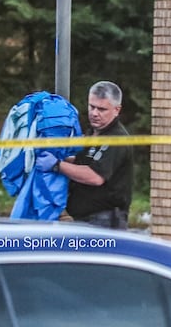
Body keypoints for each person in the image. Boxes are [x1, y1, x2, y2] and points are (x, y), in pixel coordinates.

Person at [35, 81, 133, 229]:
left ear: (116, 110)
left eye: (101, 109)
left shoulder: (116, 138)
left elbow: (94, 176)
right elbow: (83, 162)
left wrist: (57, 165)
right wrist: (58, 156)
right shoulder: (92, 133)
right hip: (83, 219)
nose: (94, 113)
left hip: (105, 222)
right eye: (91, 106)